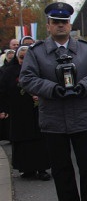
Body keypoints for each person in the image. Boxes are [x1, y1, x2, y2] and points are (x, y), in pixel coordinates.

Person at [19, 2, 87, 201]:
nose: (60, 26)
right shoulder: (36, 52)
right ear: (48, 26)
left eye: (64, 22)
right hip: (54, 119)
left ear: (70, 25)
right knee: (61, 168)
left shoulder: (86, 50)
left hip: (83, 117)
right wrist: (51, 89)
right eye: (56, 23)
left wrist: (83, 86)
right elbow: (27, 78)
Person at [0, 45, 50, 180]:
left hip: (37, 111)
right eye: (21, 58)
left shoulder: (39, 68)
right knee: (24, 142)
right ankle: (26, 168)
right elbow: (3, 91)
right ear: (17, 58)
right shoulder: (10, 72)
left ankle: (42, 168)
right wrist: (3, 109)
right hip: (19, 112)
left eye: (26, 57)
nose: (24, 60)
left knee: (40, 140)